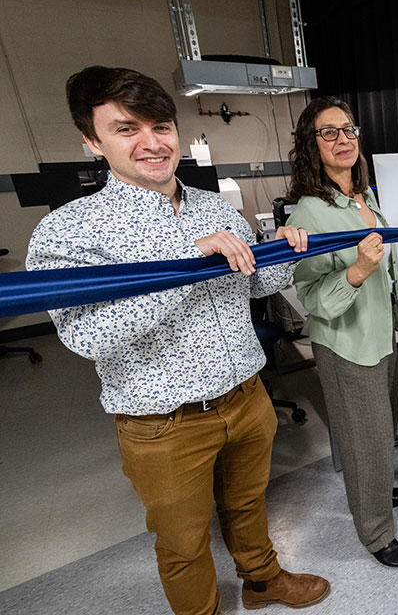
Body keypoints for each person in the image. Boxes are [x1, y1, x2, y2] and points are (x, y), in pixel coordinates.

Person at [25, 66, 329, 615]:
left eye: (161, 126)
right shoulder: (68, 231)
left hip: (245, 395)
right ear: (92, 142)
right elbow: (85, 336)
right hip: (162, 423)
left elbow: (255, 284)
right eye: (126, 129)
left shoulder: (215, 208)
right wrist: (188, 266)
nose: (152, 143)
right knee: (183, 544)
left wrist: (286, 252)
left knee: (248, 504)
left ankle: (261, 582)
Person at [285, 97, 398, 568]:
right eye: (329, 132)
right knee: (366, 440)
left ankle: (372, 493)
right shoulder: (308, 215)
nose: (344, 139)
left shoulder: (367, 197)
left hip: (382, 335)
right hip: (345, 345)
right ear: (311, 145)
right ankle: (375, 530)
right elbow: (312, 298)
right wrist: (356, 272)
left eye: (349, 129)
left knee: (383, 430)